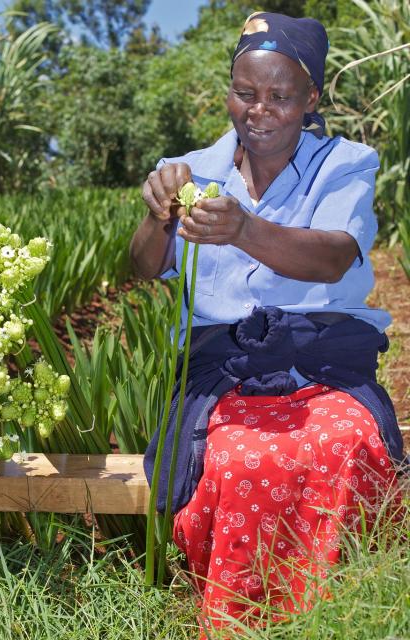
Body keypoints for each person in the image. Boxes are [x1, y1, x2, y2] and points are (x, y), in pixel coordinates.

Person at [129, 12, 404, 630]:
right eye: (245, 93)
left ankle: (336, 617)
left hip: (324, 362)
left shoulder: (346, 164)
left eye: (280, 96)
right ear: (228, 93)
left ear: (311, 99)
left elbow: (335, 256)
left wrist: (247, 230)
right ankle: (239, 620)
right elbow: (147, 266)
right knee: (235, 459)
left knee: (342, 442)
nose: (260, 110)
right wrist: (158, 218)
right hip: (225, 369)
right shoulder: (192, 169)